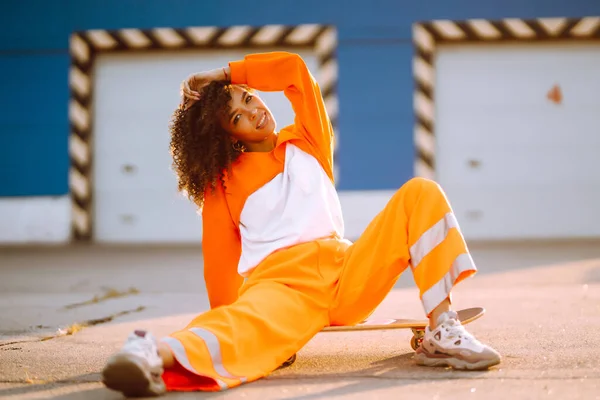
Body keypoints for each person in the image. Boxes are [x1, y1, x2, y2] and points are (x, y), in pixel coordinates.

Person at [101, 51, 501, 397]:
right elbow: (219, 262)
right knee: (233, 325)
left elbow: (294, 71)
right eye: (238, 117)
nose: (255, 112)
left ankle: (441, 328)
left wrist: (225, 75)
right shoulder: (222, 182)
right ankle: (150, 352)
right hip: (282, 288)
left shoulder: (308, 140)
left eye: (250, 98)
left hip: (345, 274)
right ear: (228, 137)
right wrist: (249, 318)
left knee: (421, 191)